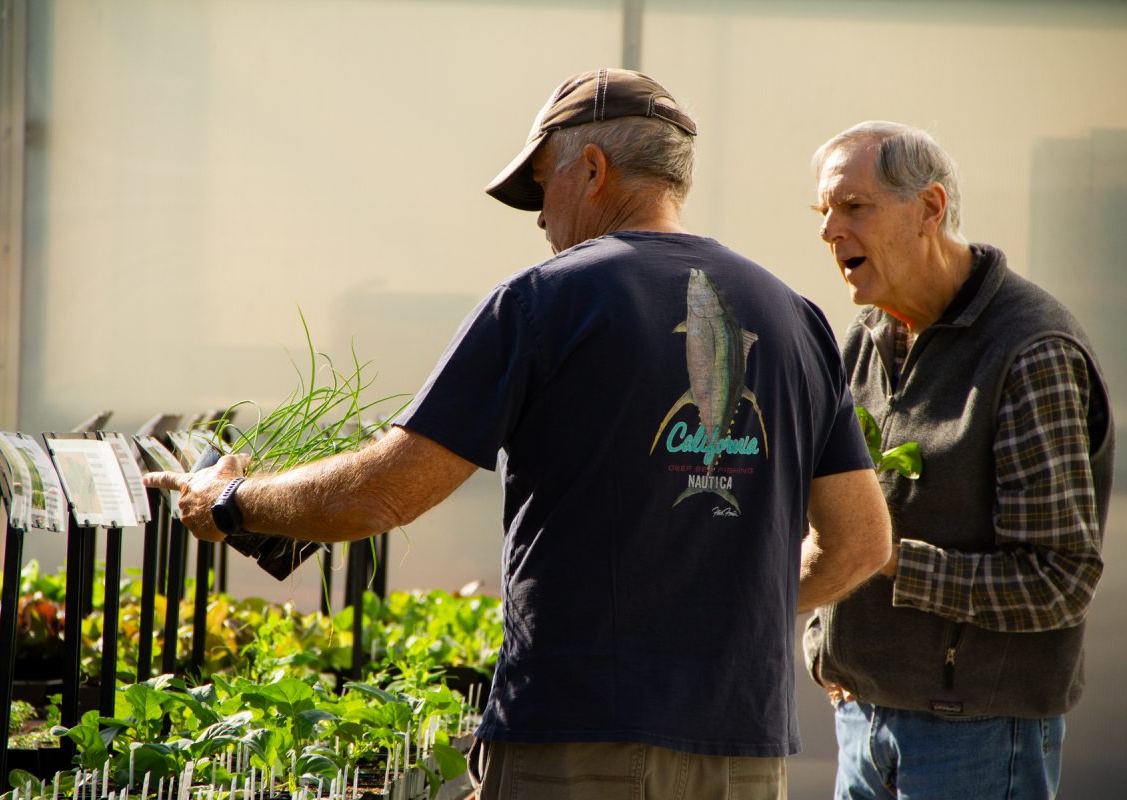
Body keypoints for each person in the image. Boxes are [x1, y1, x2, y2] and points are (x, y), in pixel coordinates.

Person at [145, 69, 891, 799]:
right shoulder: (796, 318)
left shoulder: (544, 302)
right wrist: (721, 602)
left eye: (543, 187)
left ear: (592, 169)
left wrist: (233, 501)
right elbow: (860, 542)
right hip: (744, 755)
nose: (539, 217)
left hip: (575, 741)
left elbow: (385, 494)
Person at [804, 121, 1116, 800]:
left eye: (854, 207)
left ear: (931, 209)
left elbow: (1058, 581)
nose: (830, 230)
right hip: (861, 718)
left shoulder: (1031, 353)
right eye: (823, 212)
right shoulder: (865, 338)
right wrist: (823, 642)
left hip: (974, 737)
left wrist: (884, 556)